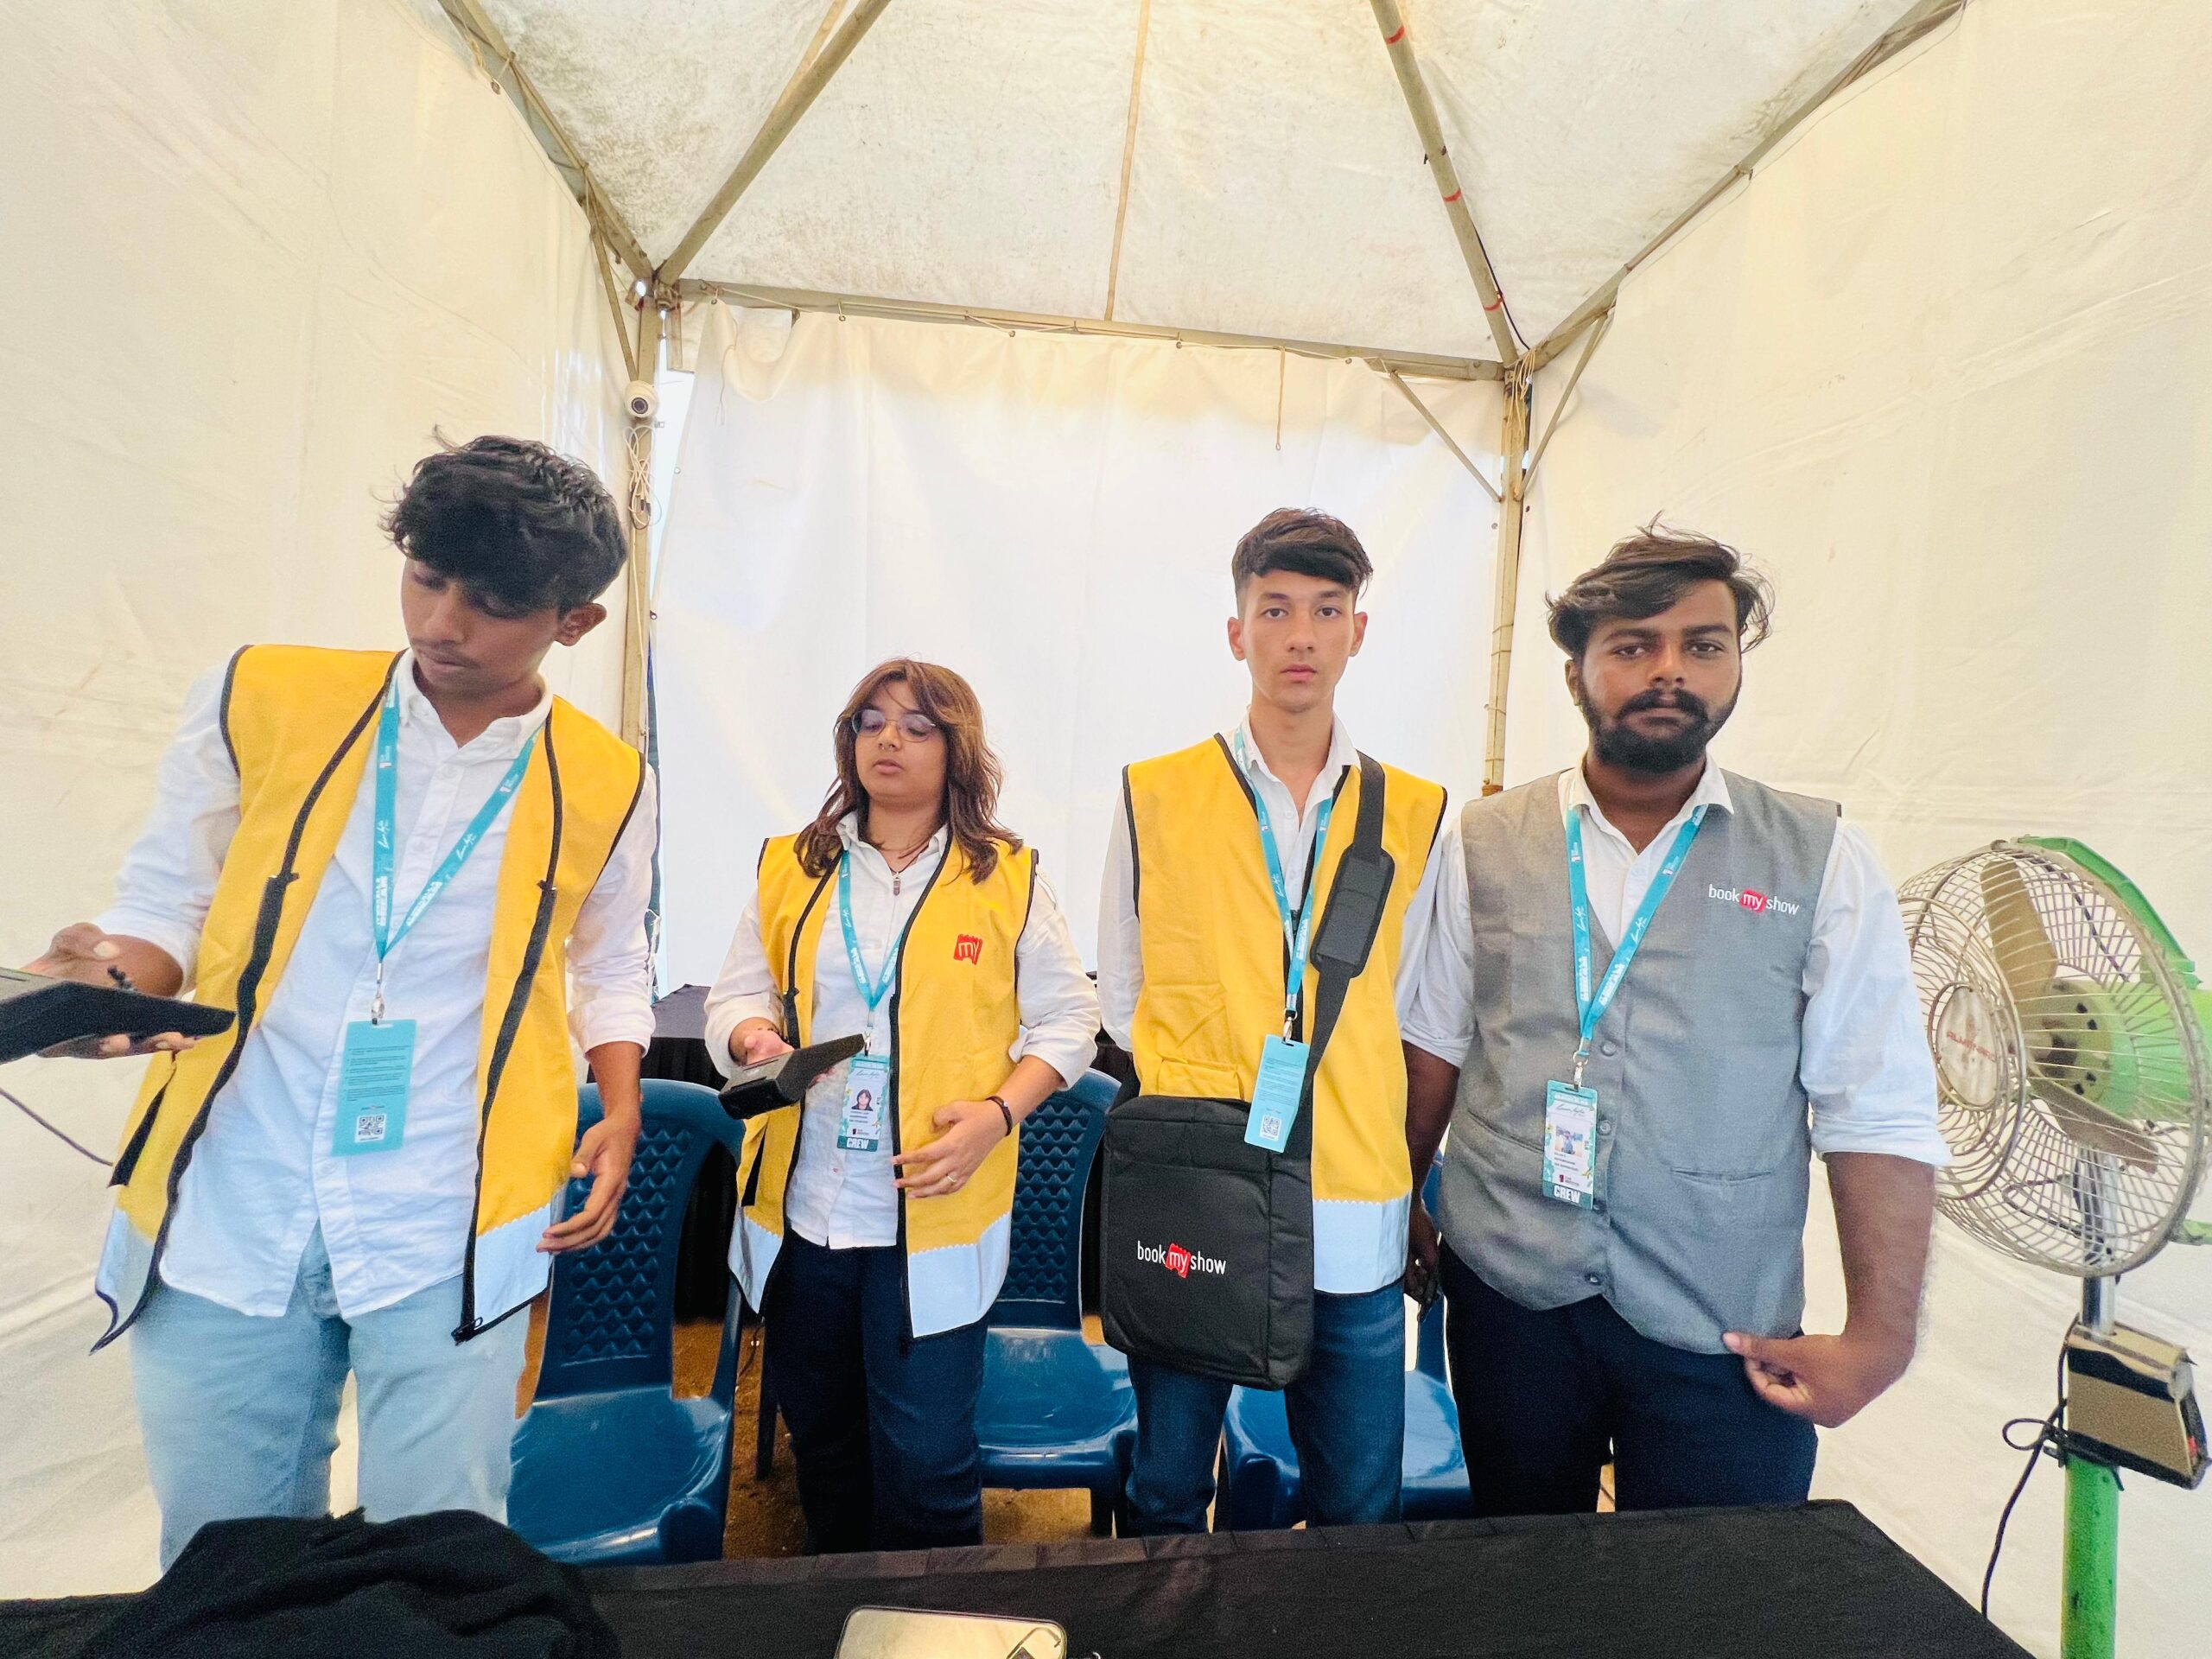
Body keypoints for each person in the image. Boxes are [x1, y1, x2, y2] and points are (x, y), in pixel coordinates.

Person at [28, 435, 655, 1567]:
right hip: (233, 1194)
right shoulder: (263, 694)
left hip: (450, 1212)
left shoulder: (610, 779)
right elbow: (168, 900)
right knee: (224, 1564)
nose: (442, 623)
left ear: (576, 621)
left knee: (439, 1561)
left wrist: (621, 1108)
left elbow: (611, 966)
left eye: (492, 602)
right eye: (425, 576)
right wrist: (106, 982)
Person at [1401, 524, 1947, 1516]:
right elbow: (1431, 1045)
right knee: (1523, 1573)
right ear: (1575, 672)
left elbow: (1876, 1108)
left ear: (1735, 663)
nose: (1669, 671)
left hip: (1723, 1328)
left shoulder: (1819, 858)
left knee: (1711, 1586)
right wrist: (1397, 1199)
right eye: (1632, 646)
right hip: (1511, 1299)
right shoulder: (1481, 841)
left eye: (1701, 645)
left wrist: (1880, 1339)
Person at [1099, 508, 1451, 1533]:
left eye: (1326, 612)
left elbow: (1424, 1010)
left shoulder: (1416, 811)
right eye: (1276, 610)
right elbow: (1124, 991)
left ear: (1358, 632)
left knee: (1355, 1505)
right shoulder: (1154, 794)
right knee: (1168, 1490)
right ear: (1236, 632)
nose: (1301, 636)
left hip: (1353, 1206)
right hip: (1197, 1196)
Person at [704, 659, 1099, 1552]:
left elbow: (1071, 1020)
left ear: (956, 749)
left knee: (927, 1462)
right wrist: (753, 1038)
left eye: (919, 726)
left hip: (931, 1210)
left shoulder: (1006, 878)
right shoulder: (793, 866)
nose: (890, 739)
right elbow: (736, 996)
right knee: (824, 1443)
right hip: (805, 1211)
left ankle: (937, 1617)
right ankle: (846, 1599)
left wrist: (998, 1115)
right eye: (872, 721)